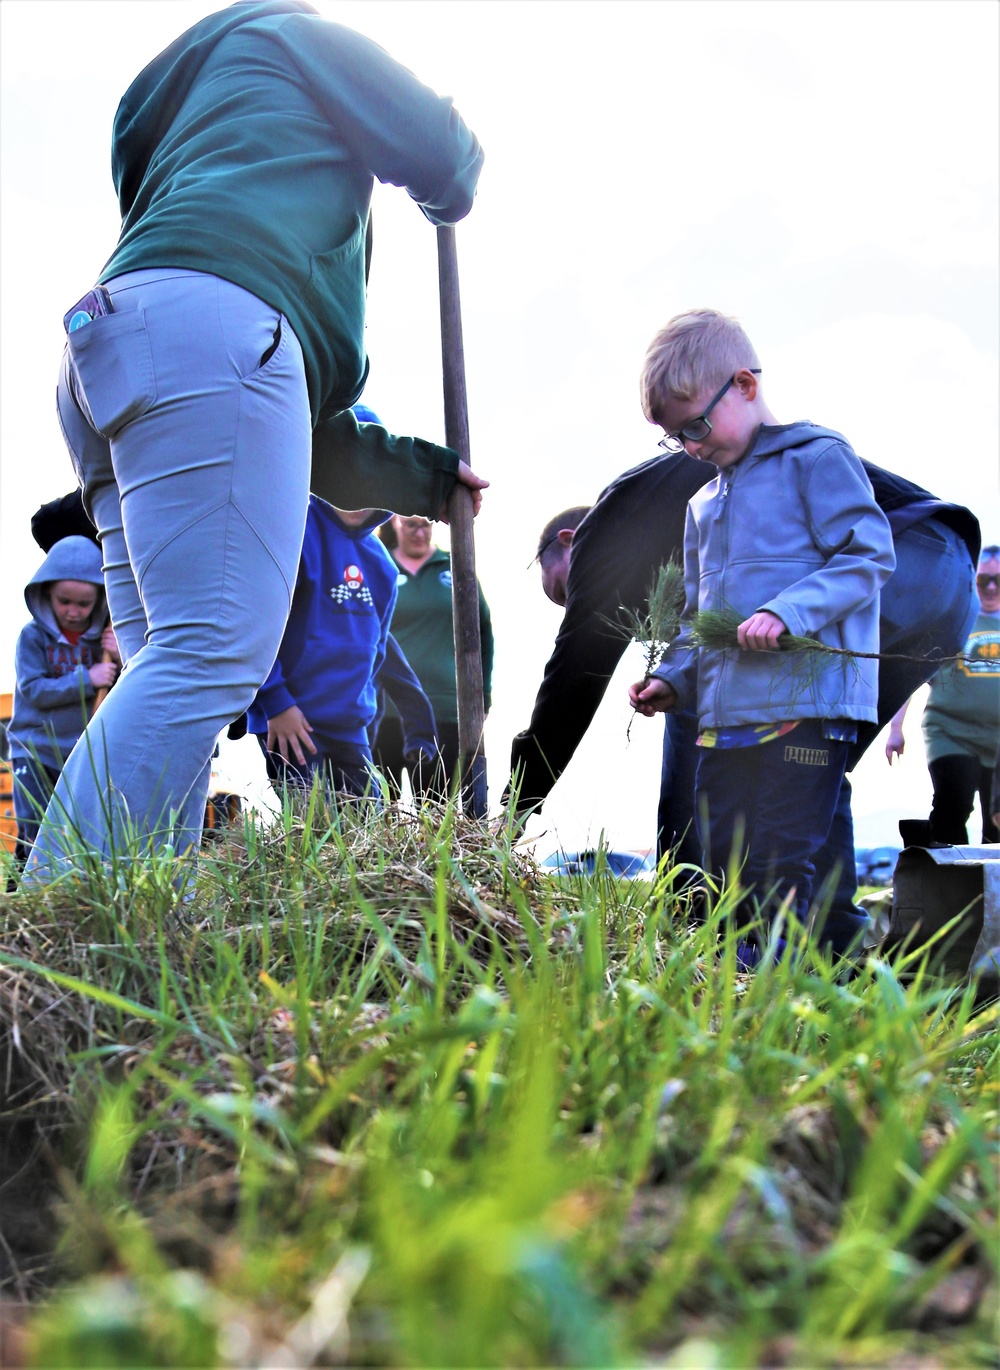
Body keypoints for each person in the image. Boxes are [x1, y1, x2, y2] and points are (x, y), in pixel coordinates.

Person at [26, 1, 485, 880]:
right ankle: (54, 931)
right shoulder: (288, 33)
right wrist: (456, 148)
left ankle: (131, 922)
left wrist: (427, 477)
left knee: (170, 668)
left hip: (109, 344)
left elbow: (286, 427)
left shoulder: (169, 113)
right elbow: (442, 157)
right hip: (211, 336)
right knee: (209, 652)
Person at [510, 456, 978, 945]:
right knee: (817, 759)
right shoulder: (697, 522)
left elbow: (575, 671)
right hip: (948, 575)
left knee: (702, 719)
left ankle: (697, 928)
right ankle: (836, 947)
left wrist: (519, 801)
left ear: (569, 542)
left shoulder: (609, 525)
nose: (593, 607)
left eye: (568, 590)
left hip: (887, 556)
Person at [629, 309, 896, 961]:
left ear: (745, 386)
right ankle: (840, 971)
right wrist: (673, 676)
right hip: (729, 719)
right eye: (675, 437)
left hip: (806, 708)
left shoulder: (816, 458)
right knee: (729, 852)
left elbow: (867, 553)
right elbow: (700, 620)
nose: (690, 446)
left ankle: (771, 988)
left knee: (781, 858)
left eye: (696, 425)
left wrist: (790, 613)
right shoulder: (703, 504)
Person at [247, 493, 435, 802]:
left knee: (366, 827)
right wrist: (275, 702)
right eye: (346, 487)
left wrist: (364, 717)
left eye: (367, 489)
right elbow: (255, 623)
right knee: (310, 823)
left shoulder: (383, 567)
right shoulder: (294, 534)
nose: (356, 499)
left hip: (349, 728)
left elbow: (378, 652)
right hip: (289, 719)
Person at [8, 538, 119, 865]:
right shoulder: (32, 637)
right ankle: (22, 901)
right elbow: (35, 690)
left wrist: (123, 654)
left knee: (73, 831)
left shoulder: (105, 641)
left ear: (99, 599)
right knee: (35, 832)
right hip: (35, 750)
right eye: (64, 601)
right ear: (46, 594)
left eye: (83, 604)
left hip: (79, 752)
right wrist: (89, 678)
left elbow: (122, 689)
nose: (73, 611)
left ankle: (66, 895)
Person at [373, 514, 494, 801]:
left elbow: (483, 631)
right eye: (410, 525)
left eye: (425, 524)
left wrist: (483, 696)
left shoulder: (455, 567)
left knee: (437, 809)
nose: (419, 532)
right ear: (394, 525)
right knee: (375, 810)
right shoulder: (377, 563)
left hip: (443, 708)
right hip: (384, 709)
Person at [887, 544, 1000, 844]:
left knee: (997, 824)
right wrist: (896, 728)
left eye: (997, 580)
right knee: (954, 804)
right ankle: (951, 884)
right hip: (951, 732)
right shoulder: (955, 618)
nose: (990, 587)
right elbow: (913, 672)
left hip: (998, 742)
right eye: (983, 580)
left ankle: (989, 890)